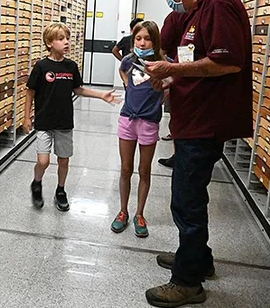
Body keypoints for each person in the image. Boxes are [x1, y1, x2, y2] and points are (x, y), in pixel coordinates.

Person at [143, 0, 253, 308]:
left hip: (206, 122)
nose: (171, 1)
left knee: (186, 200)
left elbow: (228, 62)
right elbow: (196, 61)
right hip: (193, 120)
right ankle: (198, 260)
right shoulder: (198, 10)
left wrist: (172, 68)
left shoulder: (219, 3)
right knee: (190, 196)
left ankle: (188, 282)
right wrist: (173, 77)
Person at [24, 23, 119, 212]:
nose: (66, 42)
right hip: (44, 121)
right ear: (49, 43)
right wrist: (27, 117)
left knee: (64, 160)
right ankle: (36, 182)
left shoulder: (71, 66)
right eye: (61, 39)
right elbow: (30, 91)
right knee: (43, 161)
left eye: (67, 38)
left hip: (64, 122)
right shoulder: (41, 66)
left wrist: (101, 95)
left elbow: (78, 89)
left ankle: (60, 190)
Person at [111, 21, 167, 238]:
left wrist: (160, 97)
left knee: (144, 170)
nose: (143, 42)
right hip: (128, 119)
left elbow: (172, 83)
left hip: (149, 122)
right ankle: (122, 211)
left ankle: (139, 214)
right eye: (138, 38)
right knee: (126, 169)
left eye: (147, 38)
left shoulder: (163, 63)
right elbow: (122, 70)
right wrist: (127, 86)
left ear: (155, 40)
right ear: (133, 40)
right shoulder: (128, 61)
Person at [157, 11, 188, 168]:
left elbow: (162, 48)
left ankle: (178, 157)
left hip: (176, 71)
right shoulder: (197, 13)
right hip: (189, 74)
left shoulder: (174, 17)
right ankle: (181, 156)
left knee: (177, 116)